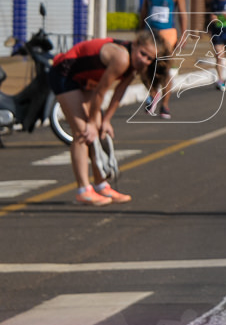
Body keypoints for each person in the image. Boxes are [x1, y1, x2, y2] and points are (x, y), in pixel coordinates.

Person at [49, 32, 165, 206]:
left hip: (85, 79)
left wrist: (105, 121)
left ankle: (101, 184)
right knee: (82, 132)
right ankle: (83, 190)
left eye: (149, 59)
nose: (144, 60)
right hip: (64, 74)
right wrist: (90, 124)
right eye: (142, 54)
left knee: (99, 132)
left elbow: (118, 93)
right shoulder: (122, 58)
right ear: (135, 45)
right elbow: (101, 92)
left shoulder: (133, 66)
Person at [139, 0, 185, 119]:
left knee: (165, 71)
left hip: (168, 35)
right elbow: (144, 10)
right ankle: (153, 94)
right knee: (142, 67)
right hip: (150, 34)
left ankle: (165, 106)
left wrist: (183, 35)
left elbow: (182, 14)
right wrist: (139, 32)